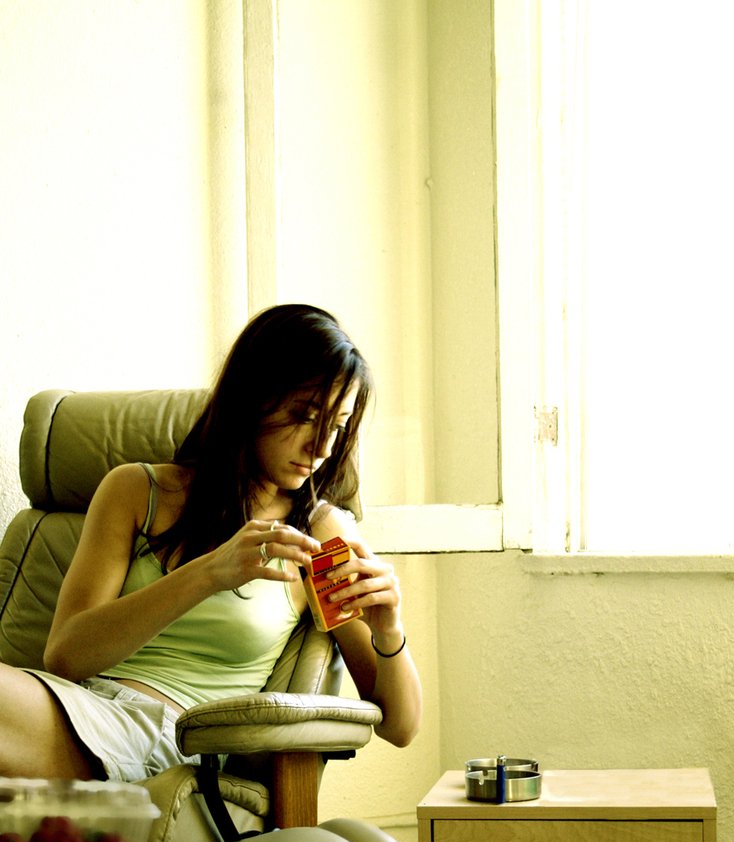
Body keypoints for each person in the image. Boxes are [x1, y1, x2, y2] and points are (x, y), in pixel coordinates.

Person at [0, 303, 422, 782]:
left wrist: (389, 631)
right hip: (76, 706)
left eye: (338, 424)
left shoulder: (318, 534)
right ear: (252, 398)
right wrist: (209, 572)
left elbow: (401, 727)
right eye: (305, 415)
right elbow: (66, 655)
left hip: (169, 738)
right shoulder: (135, 490)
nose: (322, 446)